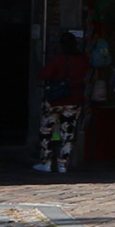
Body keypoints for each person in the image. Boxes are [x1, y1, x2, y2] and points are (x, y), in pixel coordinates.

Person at [36, 31, 91, 174]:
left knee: (47, 131)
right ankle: (63, 164)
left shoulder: (57, 59)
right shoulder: (82, 59)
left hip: (54, 99)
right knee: (68, 133)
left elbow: (44, 75)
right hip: (74, 98)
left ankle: (46, 162)